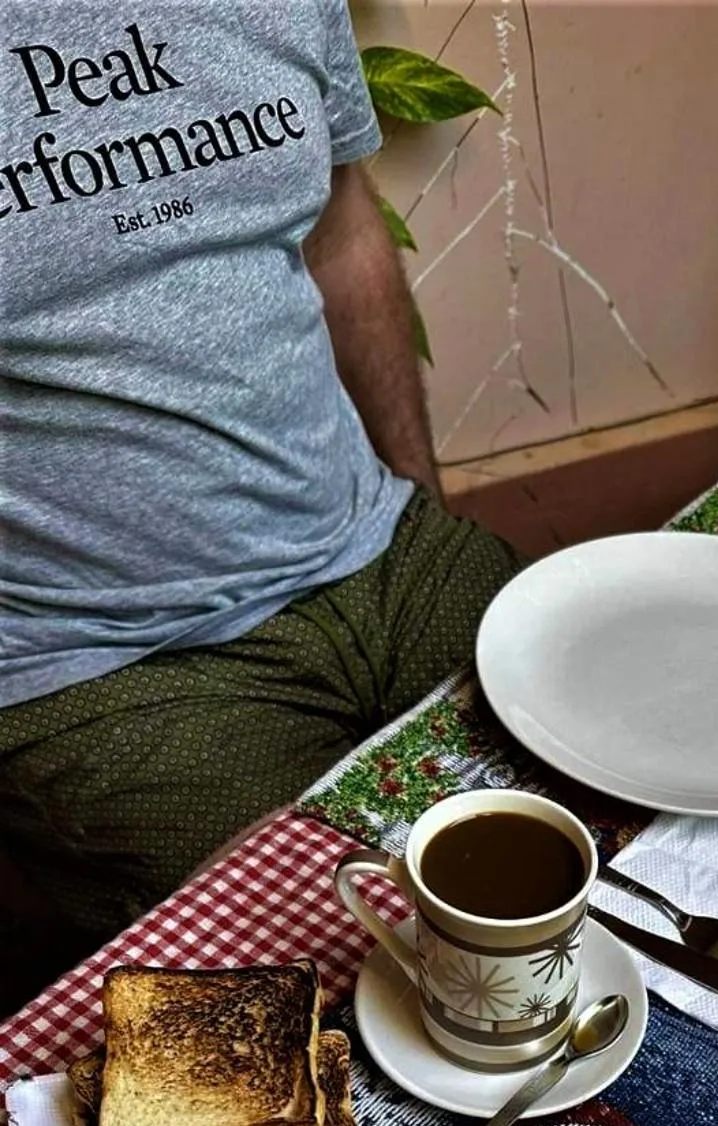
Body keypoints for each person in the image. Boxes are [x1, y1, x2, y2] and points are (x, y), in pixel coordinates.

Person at [0, 4, 517, 1012]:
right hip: (107, 659)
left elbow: (342, 230)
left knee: (615, 812)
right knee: (336, 978)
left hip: (377, 545)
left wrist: (418, 507)